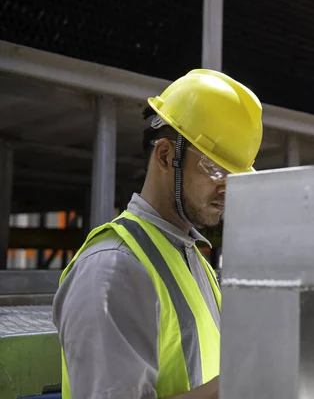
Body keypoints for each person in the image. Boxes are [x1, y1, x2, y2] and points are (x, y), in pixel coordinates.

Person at [52, 69, 263, 399]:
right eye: (216, 169)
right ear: (166, 155)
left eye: (235, 176)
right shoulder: (113, 269)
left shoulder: (193, 261)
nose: (227, 188)